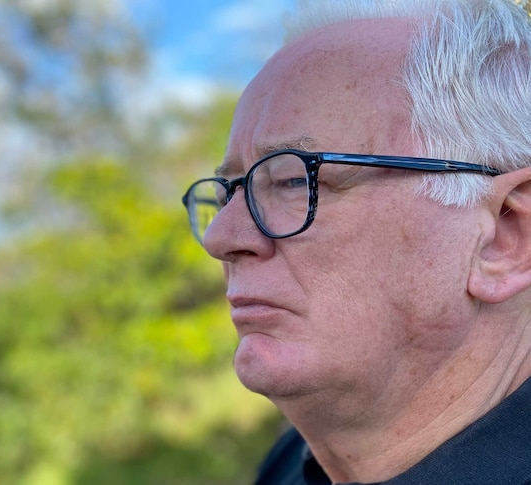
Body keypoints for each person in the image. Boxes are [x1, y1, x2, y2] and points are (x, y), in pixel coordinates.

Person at [181, 0, 531, 483]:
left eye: (292, 181)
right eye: (229, 191)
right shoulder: (288, 466)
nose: (222, 237)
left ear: (507, 235)